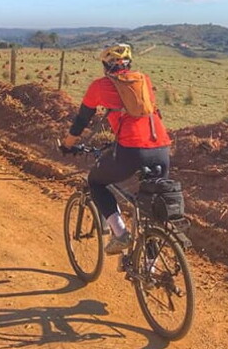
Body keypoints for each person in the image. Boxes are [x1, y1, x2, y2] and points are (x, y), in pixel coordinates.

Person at [60, 43, 171, 254]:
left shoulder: (99, 86)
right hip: (162, 147)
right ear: (129, 64)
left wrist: (68, 145)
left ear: (105, 66)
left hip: (131, 150)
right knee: (152, 205)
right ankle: (151, 268)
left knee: (96, 182)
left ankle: (120, 234)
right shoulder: (143, 80)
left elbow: (82, 119)